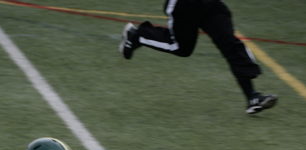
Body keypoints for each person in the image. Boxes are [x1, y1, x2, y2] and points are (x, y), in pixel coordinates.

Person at [118, 0, 278, 115]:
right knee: (181, 47)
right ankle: (137, 36)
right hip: (184, 4)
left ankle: (252, 97)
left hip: (209, 4)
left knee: (230, 43)